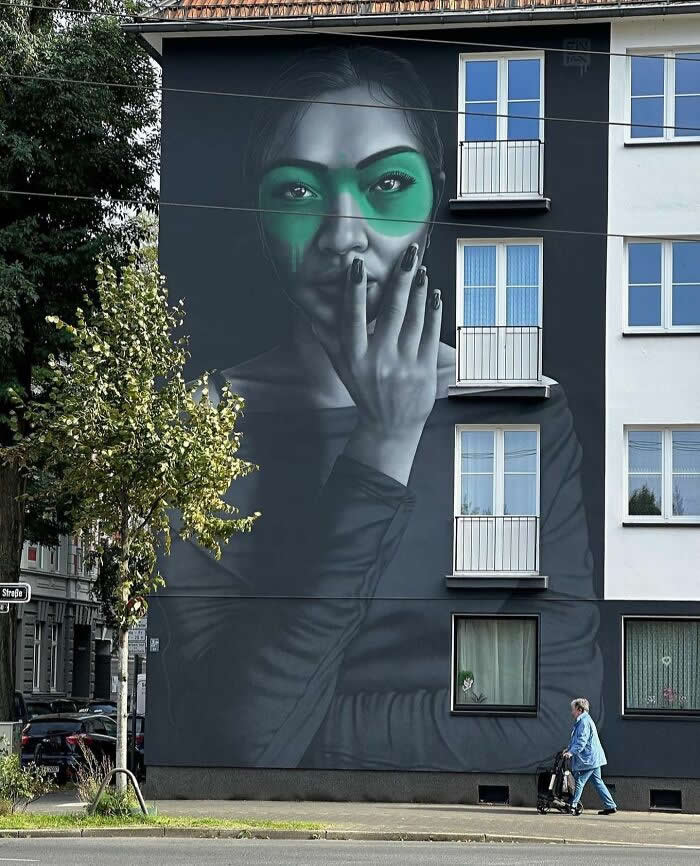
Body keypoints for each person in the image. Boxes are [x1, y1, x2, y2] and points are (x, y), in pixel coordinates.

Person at [152, 45, 605, 775]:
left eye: (388, 183)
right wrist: (384, 438)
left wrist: (307, 728)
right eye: (298, 191)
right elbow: (240, 739)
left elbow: (557, 714)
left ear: (435, 202)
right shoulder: (192, 427)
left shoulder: (528, 408)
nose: (343, 236)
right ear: (258, 217)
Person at [565, 698, 617, 815]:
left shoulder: (584, 722)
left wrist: (571, 752)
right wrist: (568, 749)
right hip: (594, 758)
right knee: (598, 782)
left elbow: (581, 741)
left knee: (580, 781)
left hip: (589, 759)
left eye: (573, 709)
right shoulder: (584, 720)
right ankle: (610, 805)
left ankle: (573, 806)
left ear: (579, 709)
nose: (572, 712)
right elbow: (576, 739)